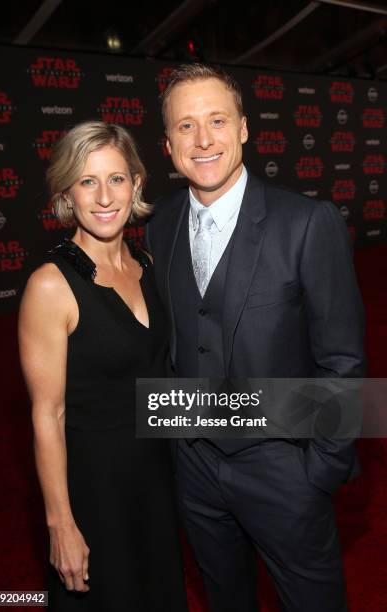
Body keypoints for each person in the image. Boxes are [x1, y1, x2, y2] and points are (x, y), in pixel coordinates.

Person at [146, 64, 366, 612]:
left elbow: (342, 359)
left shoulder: (308, 222)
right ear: (167, 142)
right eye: (185, 126)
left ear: (244, 127)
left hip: (284, 466)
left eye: (217, 120)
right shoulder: (159, 225)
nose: (203, 140)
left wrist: (317, 470)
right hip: (193, 466)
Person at [18, 121, 188, 612]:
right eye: (87, 181)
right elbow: (46, 415)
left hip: (156, 481)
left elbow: (160, 385)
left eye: (116, 178)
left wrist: (315, 410)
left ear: (137, 183)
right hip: (96, 492)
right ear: (67, 192)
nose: (104, 196)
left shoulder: (147, 263)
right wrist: (60, 524)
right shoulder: (51, 286)